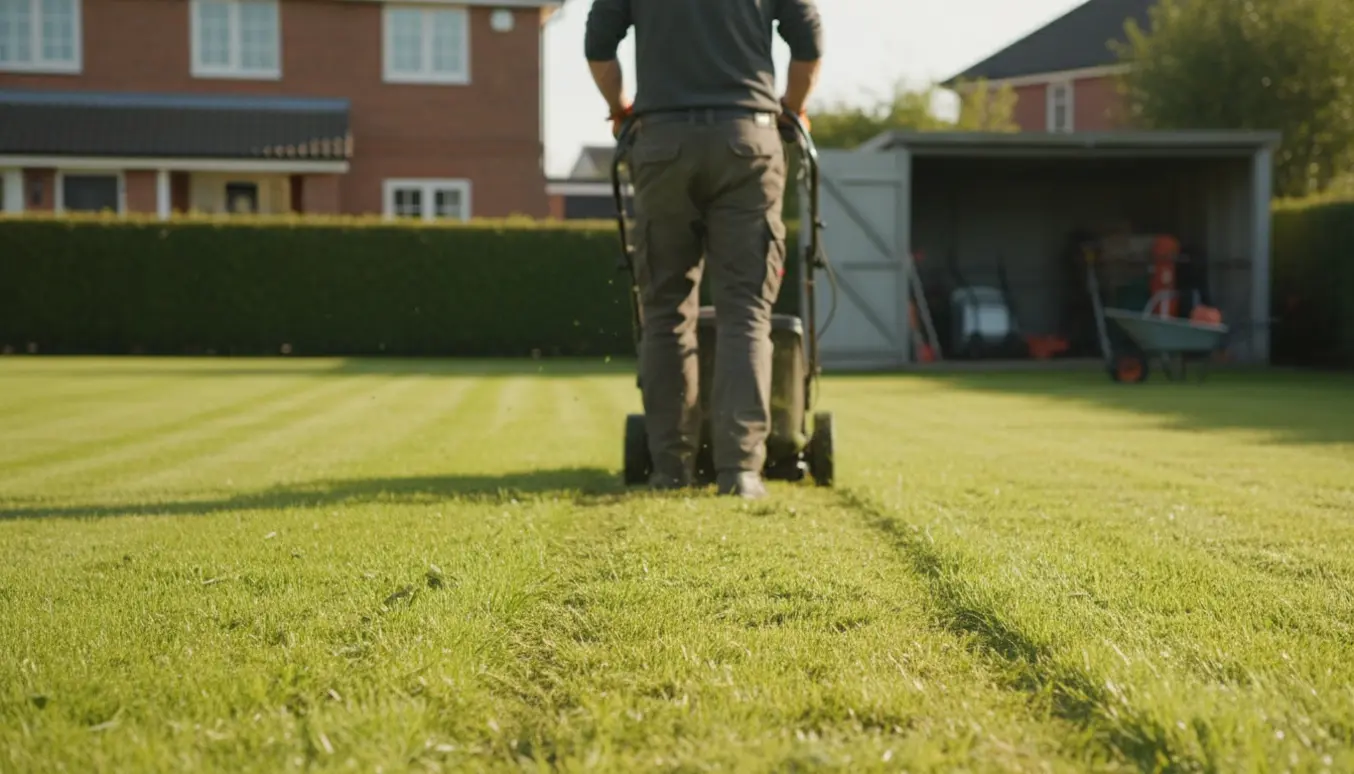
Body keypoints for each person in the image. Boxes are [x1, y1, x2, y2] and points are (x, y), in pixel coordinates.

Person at [584, 0, 823, 499]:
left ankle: (670, 467)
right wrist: (792, 106)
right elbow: (809, 41)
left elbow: (598, 45)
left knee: (665, 311)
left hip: (662, 143)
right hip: (749, 142)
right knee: (746, 313)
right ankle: (740, 471)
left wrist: (618, 108)